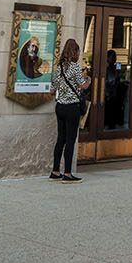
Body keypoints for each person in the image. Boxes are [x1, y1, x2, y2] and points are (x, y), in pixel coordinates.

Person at [51, 38, 87, 182]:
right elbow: (83, 86)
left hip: (60, 107)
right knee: (71, 140)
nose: (79, 54)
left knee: (61, 139)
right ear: (75, 53)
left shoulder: (58, 69)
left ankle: (55, 171)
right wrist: (88, 78)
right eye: (78, 52)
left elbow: (52, 91)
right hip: (72, 107)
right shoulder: (76, 68)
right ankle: (67, 173)